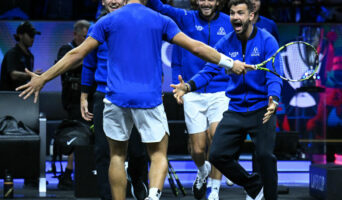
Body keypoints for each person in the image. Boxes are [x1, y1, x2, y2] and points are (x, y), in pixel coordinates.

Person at [16, 0, 253, 199]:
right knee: (158, 155)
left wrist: (44, 78)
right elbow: (197, 48)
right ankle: (152, 196)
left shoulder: (107, 21)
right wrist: (231, 63)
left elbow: (76, 53)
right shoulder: (160, 19)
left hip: (115, 99)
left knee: (117, 156)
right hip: (148, 100)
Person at [171, 0, 282, 199]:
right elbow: (209, 71)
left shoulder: (267, 41)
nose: (235, 18)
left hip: (261, 109)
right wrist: (187, 87)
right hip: (236, 109)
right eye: (232, 13)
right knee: (216, 156)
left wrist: (273, 98)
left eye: (240, 13)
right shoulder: (224, 43)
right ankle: (253, 184)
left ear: (251, 15)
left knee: (265, 156)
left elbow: (274, 75)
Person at [147, 0, 234, 199]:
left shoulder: (229, 21)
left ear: (218, 2)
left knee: (217, 139)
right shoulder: (186, 18)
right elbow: (159, 7)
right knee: (197, 149)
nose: (206, 3)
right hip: (193, 91)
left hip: (221, 91)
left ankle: (214, 191)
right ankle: (202, 170)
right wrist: (182, 88)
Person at [80, 0, 148, 199]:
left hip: (134, 95)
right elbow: (88, 63)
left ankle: (137, 181)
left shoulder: (138, 24)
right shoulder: (97, 27)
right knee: (103, 151)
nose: (114, 1)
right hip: (104, 95)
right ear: (103, 1)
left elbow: (148, 59)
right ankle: (107, 195)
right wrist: (85, 96)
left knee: (137, 151)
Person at [56, 19, 91, 190]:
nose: (86, 40)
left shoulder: (89, 51)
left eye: (88, 37)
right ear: (75, 34)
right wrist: (87, 58)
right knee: (78, 135)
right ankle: (68, 172)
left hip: (90, 100)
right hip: (73, 102)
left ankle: (81, 172)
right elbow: (66, 65)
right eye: (83, 36)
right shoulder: (67, 49)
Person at [0, 21, 41, 91]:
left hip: (22, 96)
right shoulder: (12, 53)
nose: (33, 39)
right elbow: (13, 75)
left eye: (33, 36)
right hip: (8, 96)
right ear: (20, 35)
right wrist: (31, 75)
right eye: (30, 35)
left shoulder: (30, 56)